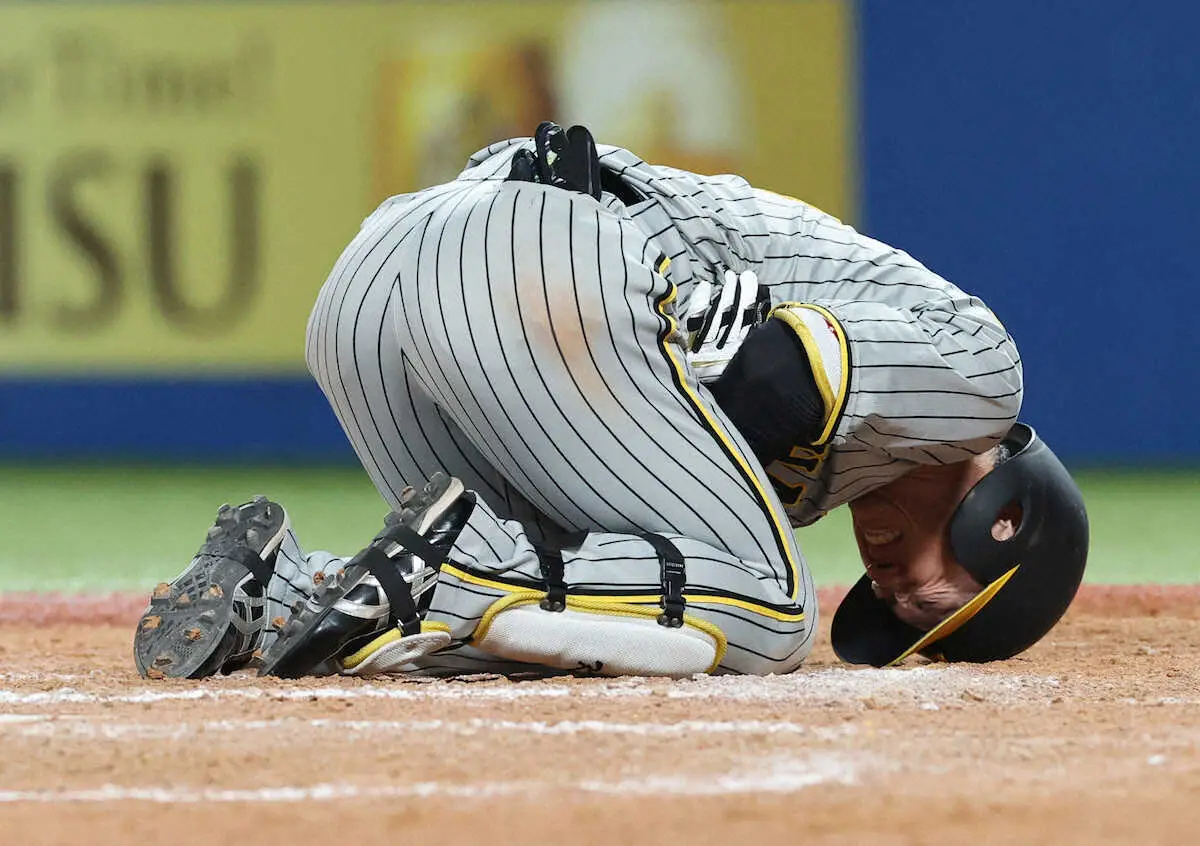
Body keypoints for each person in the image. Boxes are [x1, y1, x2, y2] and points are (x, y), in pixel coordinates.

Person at [133, 123, 1088, 681]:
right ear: (1002, 522)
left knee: (599, 614)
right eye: (939, 599)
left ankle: (279, 591)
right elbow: (775, 376)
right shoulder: (982, 381)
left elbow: (738, 386)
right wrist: (712, 349)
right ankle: (438, 574)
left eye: (910, 621)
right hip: (535, 262)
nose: (899, 597)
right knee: (764, 609)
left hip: (370, 288)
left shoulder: (812, 486)